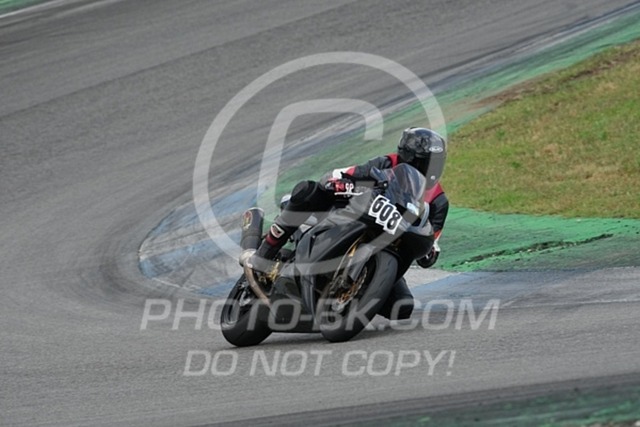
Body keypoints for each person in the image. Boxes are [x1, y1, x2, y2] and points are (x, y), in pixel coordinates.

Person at [246, 127, 449, 319]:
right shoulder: (386, 163)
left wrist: (429, 250)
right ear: (407, 156)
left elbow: (433, 238)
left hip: (389, 247)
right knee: (308, 191)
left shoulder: (438, 201)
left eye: (436, 163)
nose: (430, 169)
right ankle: (264, 254)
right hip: (353, 217)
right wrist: (343, 184)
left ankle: (351, 300)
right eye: (424, 162)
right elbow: (342, 174)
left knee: (402, 307)